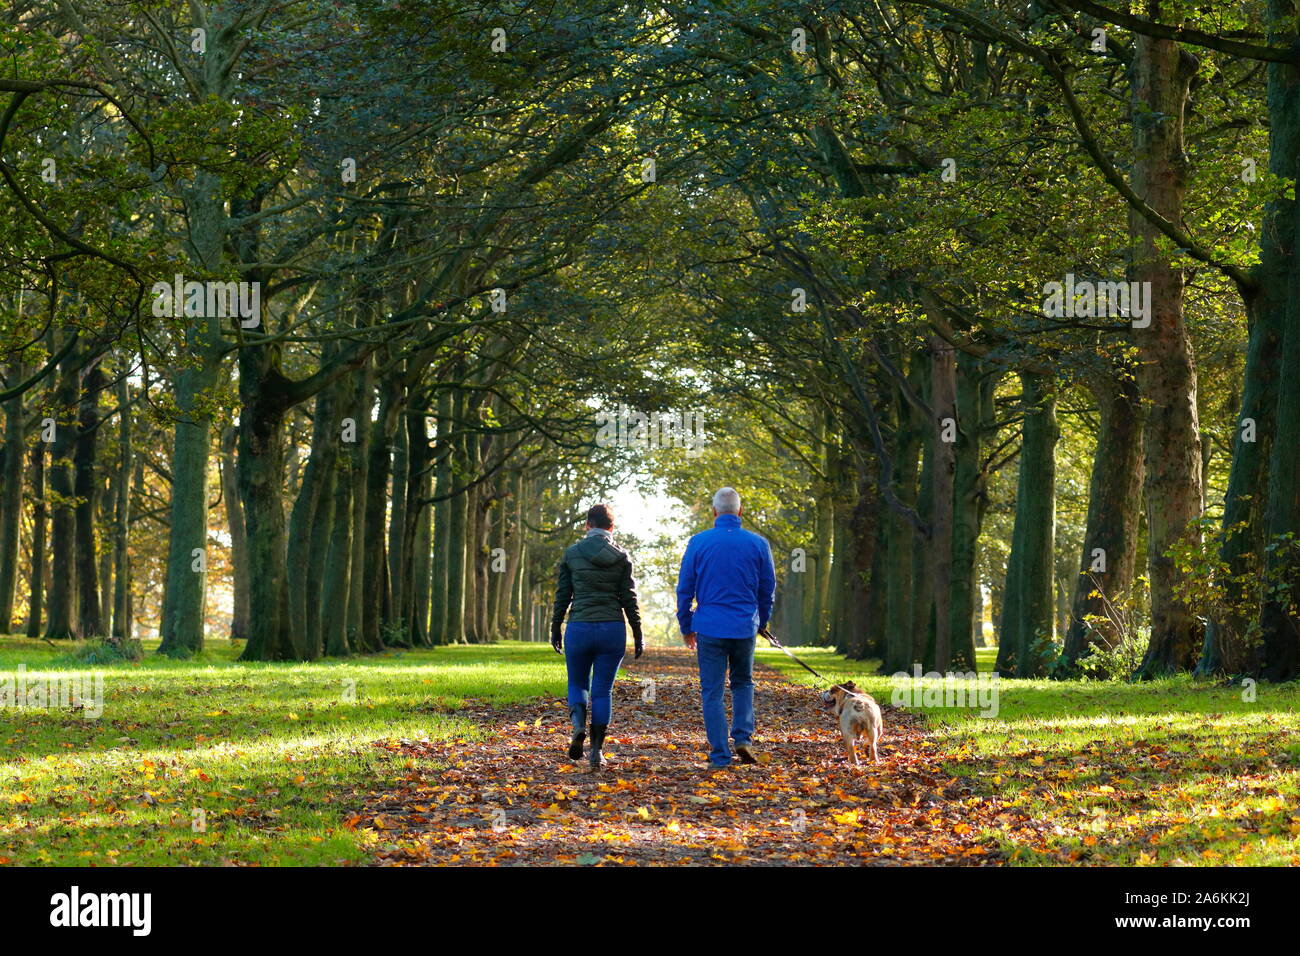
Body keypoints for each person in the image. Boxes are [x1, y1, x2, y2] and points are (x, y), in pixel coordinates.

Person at [675, 487, 777, 770]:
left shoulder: (698, 542)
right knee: (743, 682)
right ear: (740, 512)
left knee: (712, 691)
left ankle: (720, 754)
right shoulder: (758, 544)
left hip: (709, 626)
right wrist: (762, 622)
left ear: (714, 512)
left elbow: (684, 589)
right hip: (744, 625)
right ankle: (743, 737)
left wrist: (686, 626)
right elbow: (767, 590)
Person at [551, 503, 643, 771]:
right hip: (611, 629)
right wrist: (637, 632)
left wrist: (556, 626)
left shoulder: (572, 554)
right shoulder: (622, 557)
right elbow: (629, 597)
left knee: (577, 682)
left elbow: (563, 595)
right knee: (602, 690)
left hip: (579, 627)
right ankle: (597, 752)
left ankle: (578, 726)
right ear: (612, 528)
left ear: (587, 525)